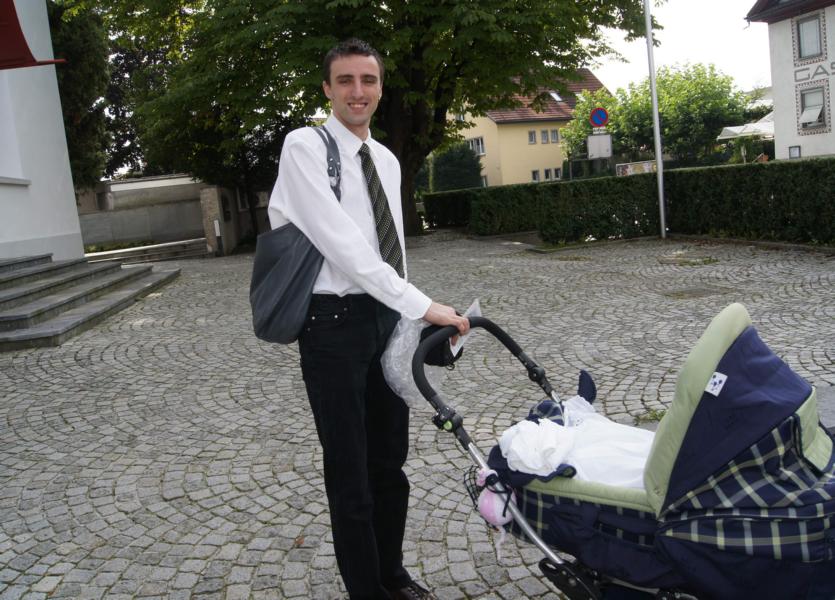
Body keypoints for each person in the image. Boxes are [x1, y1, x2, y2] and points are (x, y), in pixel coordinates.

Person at [267, 38, 469, 600]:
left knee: (390, 464)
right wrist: (422, 304)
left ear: (380, 88)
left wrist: (415, 319)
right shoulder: (304, 147)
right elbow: (346, 247)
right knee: (350, 472)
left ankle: (393, 575)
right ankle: (367, 590)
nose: (358, 91)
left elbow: (392, 251)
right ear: (327, 89)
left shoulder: (387, 159)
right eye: (346, 80)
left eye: (369, 80)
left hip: (384, 319)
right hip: (330, 326)